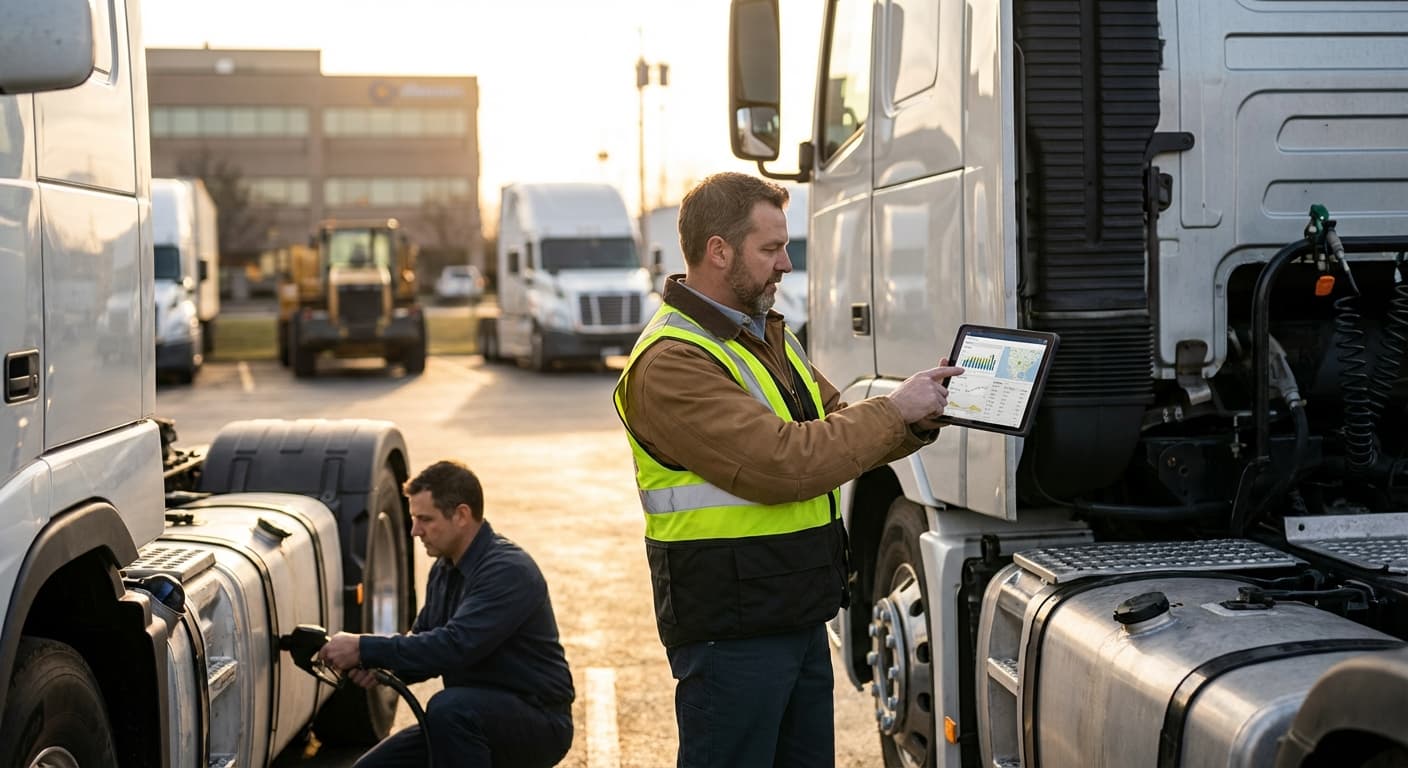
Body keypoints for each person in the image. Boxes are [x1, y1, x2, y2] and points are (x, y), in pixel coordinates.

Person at [612, 172, 963, 768]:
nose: (786, 264)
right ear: (719, 251)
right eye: (771, 248)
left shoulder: (765, 335)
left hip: (793, 610)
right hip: (732, 633)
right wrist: (893, 411)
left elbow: (836, 429)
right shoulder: (672, 361)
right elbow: (782, 462)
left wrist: (916, 416)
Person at [319, 459, 574, 767]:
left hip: (538, 721)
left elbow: (455, 646)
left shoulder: (507, 570)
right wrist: (378, 666)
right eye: (414, 519)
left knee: (448, 709)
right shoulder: (444, 568)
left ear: (461, 515)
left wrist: (363, 646)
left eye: (425, 519)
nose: (415, 531)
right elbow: (425, 641)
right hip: (472, 715)